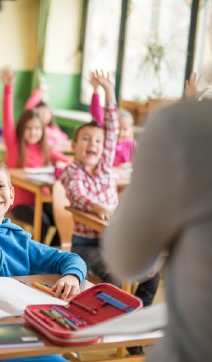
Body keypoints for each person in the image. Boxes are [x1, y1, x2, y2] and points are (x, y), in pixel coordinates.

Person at [0, 67, 86, 295]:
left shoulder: (21, 241)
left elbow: (70, 259)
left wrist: (71, 276)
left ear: (11, 194)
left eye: (0, 186)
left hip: (4, 320)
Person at [102, 96, 212, 362]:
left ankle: (133, 338)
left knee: (148, 276)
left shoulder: (185, 125)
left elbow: (127, 262)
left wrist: (141, 179)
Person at [61, 70, 159, 356]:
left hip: (115, 239)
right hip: (86, 245)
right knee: (117, 280)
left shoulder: (105, 168)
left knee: (152, 274)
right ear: (74, 146)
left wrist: (109, 93)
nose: (93, 145)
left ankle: (138, 322)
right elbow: (77, 195)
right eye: (86, 140)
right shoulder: (72, 171)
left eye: (98, 142)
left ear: (106, 150)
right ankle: (121, 332)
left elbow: (113, 128)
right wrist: (96, 206)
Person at [0, 66, 60, 246]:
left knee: (61, 215)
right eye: (28, 128)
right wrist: (9, 88)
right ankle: (36, 256)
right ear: (21, 129)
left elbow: (61, 158)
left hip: (42, 198)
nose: (33, 132)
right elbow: (7, 117)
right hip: (20, 203)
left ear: (43, 130)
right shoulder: (15, 145)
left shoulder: (44, 149)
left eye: (37, 128)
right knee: (43, 221)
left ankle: (52, 251)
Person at [89, 71, 136, 167]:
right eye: (117, 128)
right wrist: (95, 90)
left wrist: (129, 165)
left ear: (131, 129)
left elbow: (141, 162)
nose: (120, 132)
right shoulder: (107, 139)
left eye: (125, 129)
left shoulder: (132, 144)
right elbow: (97, 112)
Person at [24, 85, 71, 164]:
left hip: (53, 161)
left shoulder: (54, 130)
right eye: (41, 113)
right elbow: (28, 110)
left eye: (46, 113)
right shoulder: (36, 130)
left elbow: (61, 143)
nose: (43, 115)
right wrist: (39, 92)